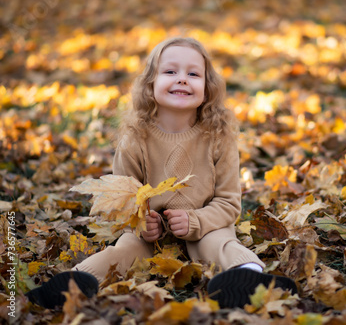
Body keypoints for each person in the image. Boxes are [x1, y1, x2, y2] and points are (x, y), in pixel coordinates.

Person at [27, 37, 297, 309]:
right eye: (170, 72)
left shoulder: (219, 137)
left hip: (205, 227)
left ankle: (249, 277)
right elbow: (124, 205)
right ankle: (75, 283)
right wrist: (141, 224)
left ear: (208, 87)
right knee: (123, 251)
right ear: (150, 84)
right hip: (148, 236)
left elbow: (228, 204)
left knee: (220, 244)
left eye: (193, 74)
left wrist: (195, 221)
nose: (182, 79)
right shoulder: (134, 139)